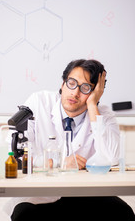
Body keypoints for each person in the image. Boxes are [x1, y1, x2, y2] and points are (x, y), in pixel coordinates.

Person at [10, 59, 135, 221]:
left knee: (122, 213)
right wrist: (57, 163)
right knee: (25, 215)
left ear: (95, 92)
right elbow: (16, 155)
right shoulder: (38, 102)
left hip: (84, 195)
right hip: (39, 196)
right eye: (71, 83)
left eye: (85, 88)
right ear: (63, 84)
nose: (75, 93)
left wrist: (92, 105)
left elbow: (112, 159)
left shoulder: (101, 114)